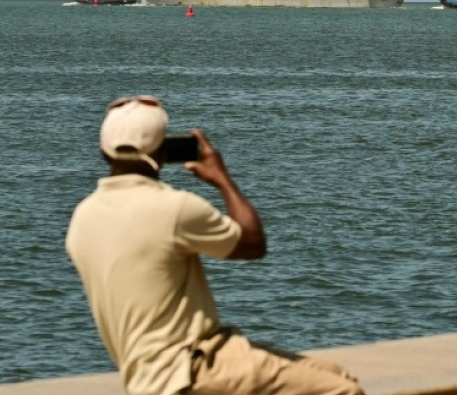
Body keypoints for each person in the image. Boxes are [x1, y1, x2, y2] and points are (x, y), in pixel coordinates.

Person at [66, 96, 364, 395]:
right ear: (162, 151)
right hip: (192, 367)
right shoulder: (174, 208)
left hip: (145, 376)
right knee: (341, 390)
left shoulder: (82, 218)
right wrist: (222, 178)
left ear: (103, 153)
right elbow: (252, 243)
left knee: (333, 373)